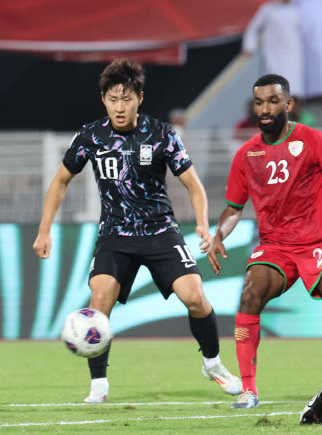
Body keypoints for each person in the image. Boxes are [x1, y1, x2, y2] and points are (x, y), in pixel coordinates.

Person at [33, 58, 242, 403]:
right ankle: (99, 384)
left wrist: (202, 223)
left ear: (140, 99)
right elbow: (60, 182)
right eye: (113, 99)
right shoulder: (90, 136)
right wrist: (44, 231)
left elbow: (193, 184)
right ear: (103, 99)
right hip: (115, 235)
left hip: (161, 231)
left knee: (195, 297)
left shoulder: (161, 134)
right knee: (99, 301)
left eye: (127, 99)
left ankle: (212, 362)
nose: (119, 106)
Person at [207, 74, 322, 409]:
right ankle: (248, 390)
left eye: (273, 101)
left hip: (316, 243)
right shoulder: (247, 154)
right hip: (275, 247)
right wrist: (218, 235)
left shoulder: (311, 140)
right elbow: (233, 208)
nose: (265, 109)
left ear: (288, 104)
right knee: (249, 296)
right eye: (259, 103)